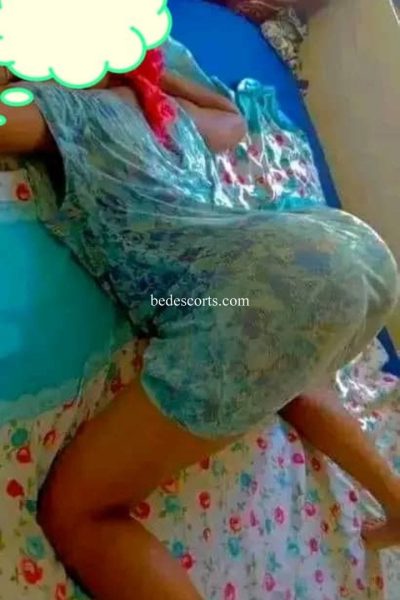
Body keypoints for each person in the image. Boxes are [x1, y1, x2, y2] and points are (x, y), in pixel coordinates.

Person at [0, 44, 399, 600]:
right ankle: (395, 498)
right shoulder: (172, 118)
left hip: (266, 279)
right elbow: (233, 120)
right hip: (354, 252)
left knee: (79, 511)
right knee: (286, 368)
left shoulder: (70, 110)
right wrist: (156, 83)